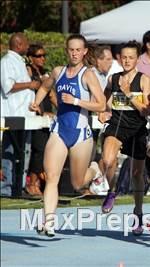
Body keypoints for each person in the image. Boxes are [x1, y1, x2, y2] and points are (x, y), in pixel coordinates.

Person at [29, 34, 106, 237]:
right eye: (71, 49)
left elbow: (101, 104)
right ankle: (49, 222)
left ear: (84, 52)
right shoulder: (58, 71)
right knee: (52, 176)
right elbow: (46, 86)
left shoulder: (88, 75)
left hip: (80, 134)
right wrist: (37, 102)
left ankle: (95, 170)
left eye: (78, 50)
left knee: (77, 184)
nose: (74, 53)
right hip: (59, 130)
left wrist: (76, 101)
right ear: (67, 50)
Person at [93, 41, 150, 236]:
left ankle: (138, 212)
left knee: (137, 175)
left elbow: (146, 111)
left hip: (137, 129)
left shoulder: (144, 80)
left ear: (137, 59)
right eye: (124, 57)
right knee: (107, 160)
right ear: (120, 58)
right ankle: (112, 191)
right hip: (117, 126)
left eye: (131, 57)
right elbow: (104, 99)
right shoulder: (113, 78)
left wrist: (128, 93)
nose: (127, 61)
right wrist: (103, 111)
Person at [1, 32, 40, 196]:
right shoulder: (7, 62)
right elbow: (8, 86)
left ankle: (20, 186)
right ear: (18, 45)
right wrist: (30, 84)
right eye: (26, 44)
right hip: (12, 114)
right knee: (10, 152)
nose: (28, 46)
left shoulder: (20, 61)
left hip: (25, 115)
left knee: (24, 152)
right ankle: (7, 189)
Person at [26, 44, 58, 196]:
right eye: (39, 55)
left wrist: (62, 110)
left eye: (44, 55)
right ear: (31, 57)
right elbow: (27, 94)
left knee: (45, 150)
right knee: (38, 150)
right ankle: (31, 184)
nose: (43, 58)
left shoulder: (45, 73)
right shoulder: (28, 71)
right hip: (35, 116)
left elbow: (50, 94)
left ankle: (38, 183)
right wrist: (38, 108)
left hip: (47, 117)